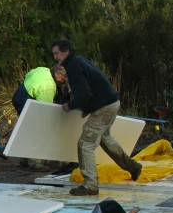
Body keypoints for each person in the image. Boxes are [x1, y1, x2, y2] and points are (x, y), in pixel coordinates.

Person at [50, 38, 142, 197]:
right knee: (105, 138)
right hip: (111, 102)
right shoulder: (79, 62)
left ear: (66, 51)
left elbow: (84, 94)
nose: (55, 57)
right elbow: (92, 89)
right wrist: (87, 108)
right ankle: (133, 167)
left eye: (56, 53)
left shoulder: (73, 67)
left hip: (104, 106)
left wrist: (70, 106)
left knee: (86, 143)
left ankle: (90, 185)